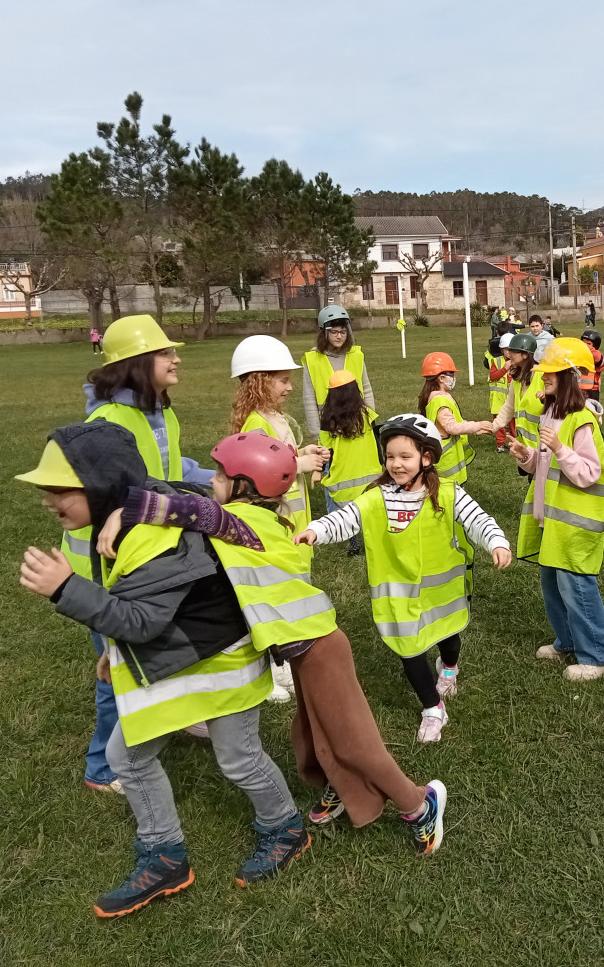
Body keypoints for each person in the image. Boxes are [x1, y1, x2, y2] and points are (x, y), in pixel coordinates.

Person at [99, 430, 449, 857]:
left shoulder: (243, 524)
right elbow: (194, 496)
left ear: (244, 487)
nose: (213, 482)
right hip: (299, 651)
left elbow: (197, 511)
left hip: (320, 649)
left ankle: (419, 802)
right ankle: (343, 788)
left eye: (221, 476)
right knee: (311, 735)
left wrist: (128, 509)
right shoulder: (258, 517)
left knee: (355, 741)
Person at [17, 422, 305, 917]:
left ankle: (285, 827)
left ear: (102, 484)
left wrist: (66, 590)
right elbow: (138, 604)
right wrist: (114, 652)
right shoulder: (126, 519)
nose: (47, 498)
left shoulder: (150, 537)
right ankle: (165, 854)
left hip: (220, 662)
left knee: (238, 758)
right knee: (127, 757)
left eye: (61, 487)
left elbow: (144, 620)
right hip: (183, 658)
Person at [64, 314, 214, 792]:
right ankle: (101, 768)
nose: (176, 358)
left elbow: (168, 466)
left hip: (148, 550)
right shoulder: (109, 421)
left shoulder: (159, 411)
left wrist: (215, 478)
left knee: (163, 645)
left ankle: (176, 717)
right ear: (136, 363)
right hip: (106, 565)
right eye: (165, 352)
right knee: (119, 662)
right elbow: (115, 496)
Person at [296, 414, 511, 742]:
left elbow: (477, 520)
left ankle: (449, 667)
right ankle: (432, 707)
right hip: (399, 598)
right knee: (409, 651)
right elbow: (346, 517)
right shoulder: (376, 497)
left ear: (427, 458)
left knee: (448, 636)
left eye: (405, 456)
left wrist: (496, 542)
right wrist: (316, 529)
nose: (396, 464)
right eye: (391, 456)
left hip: (443, 594)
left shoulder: (448, 495)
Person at [507, 338, 604, 681]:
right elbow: (544, 465)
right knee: (552, 583)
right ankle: (568, 641)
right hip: (553, 520)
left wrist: (560, 449)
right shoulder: (552, 412)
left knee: (577, 587)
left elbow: (588, 473)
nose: (543, 378)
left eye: (550, 373)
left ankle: (600, 657)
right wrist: (526, 457)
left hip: (574, 523)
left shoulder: (580, 420)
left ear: (569, 375)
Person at [229, 335, 327, 700]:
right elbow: (258, 477)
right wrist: (300, 463)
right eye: (282, 379)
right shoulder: (256, 424)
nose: (289, 387)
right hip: (273, 527)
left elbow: (281, 456)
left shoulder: (275, 418)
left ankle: (280, 663)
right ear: (258, 380)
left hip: (291, 526)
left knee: (286, 593)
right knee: (269, 598)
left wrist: (302, 452)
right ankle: (266, 670)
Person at [317, 369, 382, 553]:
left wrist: (319, 470)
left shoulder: (328, 421)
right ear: (355, 391)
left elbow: (325, 451)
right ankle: (373, 545)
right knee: (370, 514)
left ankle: (354, 547)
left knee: (349, 515)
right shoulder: (368, 415)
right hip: (370, 476)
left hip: (343, 480)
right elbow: (377, 444)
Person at [301, 305, 375, 443]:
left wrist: (370, 419)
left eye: (343, 332)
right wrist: (316, 434)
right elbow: (309, 400)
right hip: (329, 423)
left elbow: (367, 388)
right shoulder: (312, 360)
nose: (339, 336)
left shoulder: (356, 355)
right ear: (324, 333)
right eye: (334, 332)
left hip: (357, 421)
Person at [418, 352, 493, 485]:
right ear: (441, 378)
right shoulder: (440, 400)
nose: (454, 377)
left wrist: (476, 430)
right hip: (447, 464)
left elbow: (454, 422)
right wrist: (478, 425)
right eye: (451, 374)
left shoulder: (437, 397)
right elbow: (451, 427)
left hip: (447, 461)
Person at [491, 332, 545, 459]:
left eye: (514, 351)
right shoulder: (517, 380)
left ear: (525, 355)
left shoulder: (543, 376)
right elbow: (508, 408)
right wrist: (492, 427)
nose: (509, 355)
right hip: (525, 448)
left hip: (544, 448)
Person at [484, 336, 513, 452]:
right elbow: (493, 376)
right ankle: (501, 444)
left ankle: (515, 442)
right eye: (507, 349)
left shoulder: (518, 361)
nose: (509, 352)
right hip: (499, 400)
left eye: (512, 349)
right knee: (500, 423)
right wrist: (505, 368)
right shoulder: (497, 361)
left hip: (513, 399)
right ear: (502, 350)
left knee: (514, 422)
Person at [579, 329, 604, 403]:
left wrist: (587, 349)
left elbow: (599, 359)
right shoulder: (578, 356)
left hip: (591, 391)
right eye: (583, 343)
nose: (585, 345)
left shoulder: (596, 355)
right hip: (577, 389)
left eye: (588, 343)